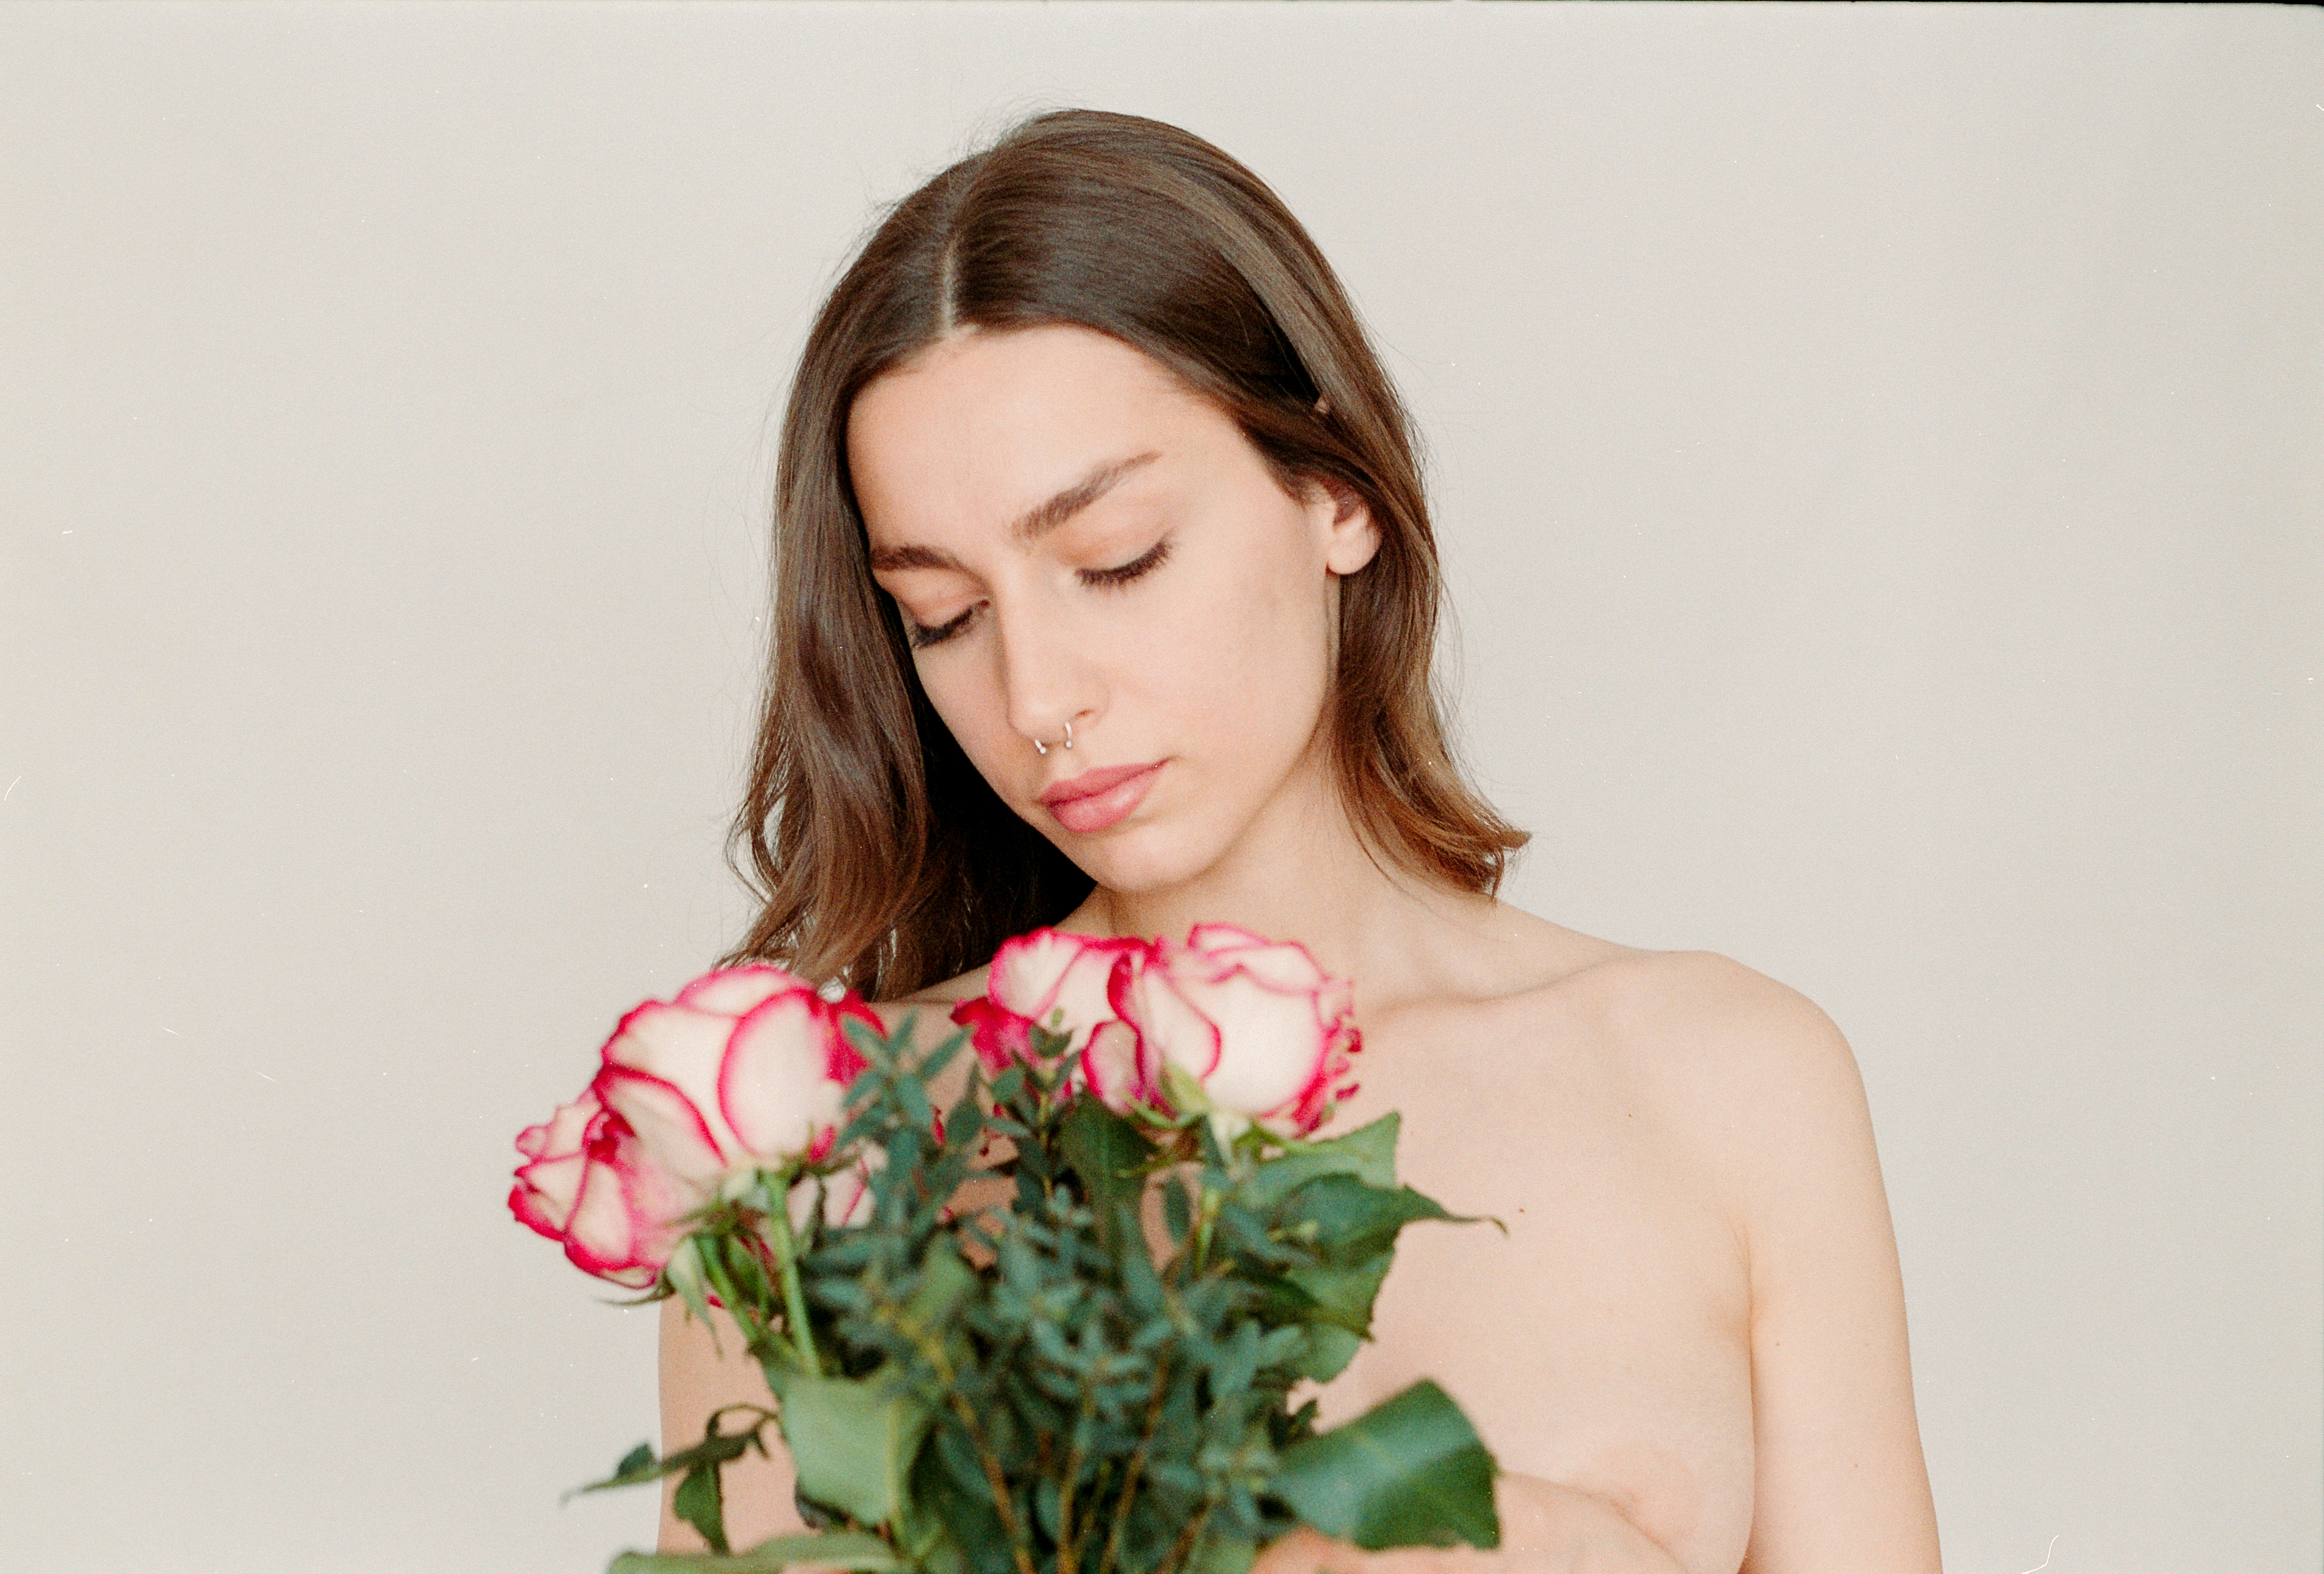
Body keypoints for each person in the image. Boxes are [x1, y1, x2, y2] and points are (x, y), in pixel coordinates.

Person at [660, 109, 1941, 1574]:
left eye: (1114, 559)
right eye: (944, 616)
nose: (1037, 701)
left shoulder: (1728, 1077)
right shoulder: (809, 1152)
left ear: (1332, 492)